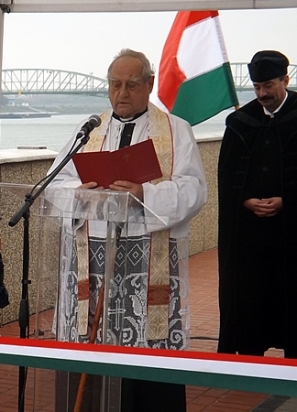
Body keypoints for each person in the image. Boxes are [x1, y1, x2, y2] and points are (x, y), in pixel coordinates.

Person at [48, 48, 207, 411]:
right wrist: (78, 193)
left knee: (146, 360)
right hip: (94, 260)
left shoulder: (175, 131)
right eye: (115, 84)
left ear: (149, 84)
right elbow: (54, 183)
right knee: (95, 359)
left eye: (131, 84)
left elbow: (195, 189)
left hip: (147, 262)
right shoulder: (89, 131)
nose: (121, 93)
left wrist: (144, 193)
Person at [217, 50, 297, 358]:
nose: (262, 94)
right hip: (250, 238)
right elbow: (226, 178)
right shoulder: (241, 122)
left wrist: (286, 201)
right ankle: (249, 361)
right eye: (257, 87)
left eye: (268, 86)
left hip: (290, 235)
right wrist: (246, 200)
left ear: (285, 80)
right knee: (250, 301)